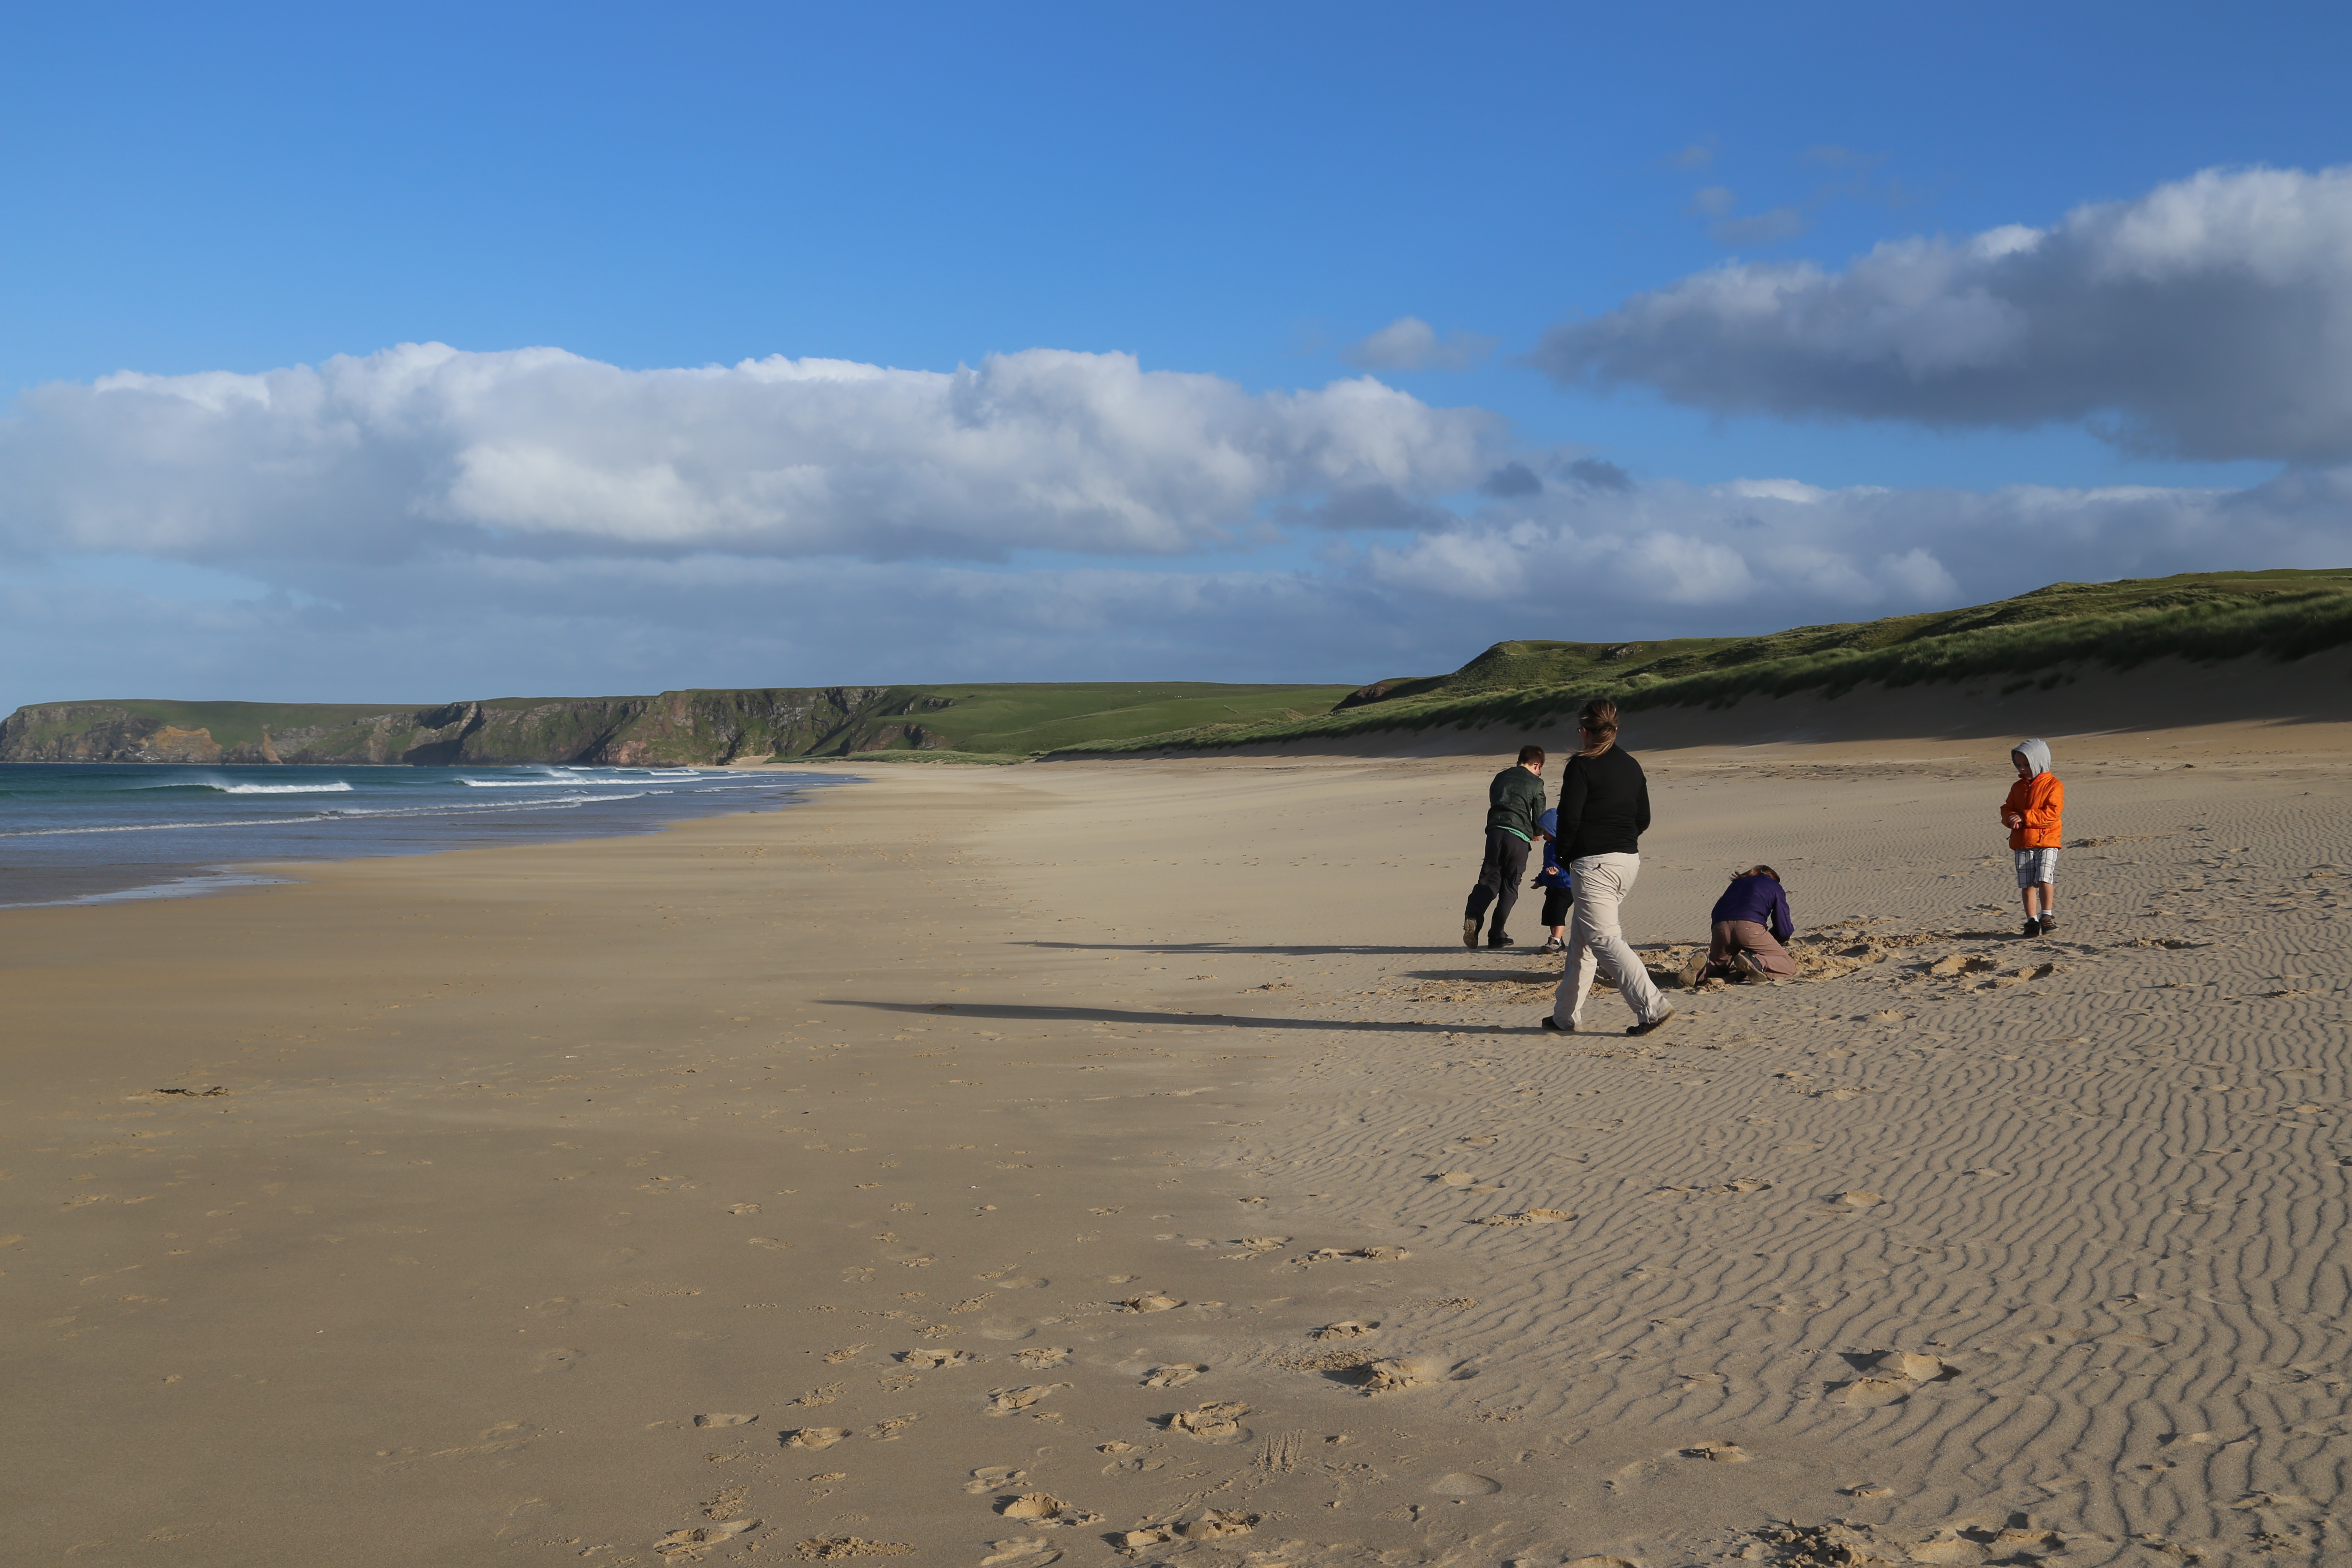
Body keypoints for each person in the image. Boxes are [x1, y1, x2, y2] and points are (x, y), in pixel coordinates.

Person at [1540, 700, 1674, 1036]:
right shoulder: (1631, 764)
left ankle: (1653, 1008)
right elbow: (1643, 817)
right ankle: (1565, 1015)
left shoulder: (1582, 765)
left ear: (1585, 731)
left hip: (1595, 863)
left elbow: (1569, 817)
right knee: (1583, 941)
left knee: (1603, 938)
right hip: (1627, 860)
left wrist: (1565, 855)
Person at [1464, 745, 1545, 949]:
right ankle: (1497, 932)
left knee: (1489, 879)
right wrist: (1537, 832)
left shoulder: (1500, 777)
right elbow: (1539, 810)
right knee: (1510, 885)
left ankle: (1473, 916)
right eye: (1539, 769)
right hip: (1517, 837)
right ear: (1536, 765)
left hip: (1494, 832)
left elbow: (1495, 801)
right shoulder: (1536, 782)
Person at [1680, 865, 1798, 983]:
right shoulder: (1775, 886)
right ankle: (1757, 962)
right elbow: (1784, 930)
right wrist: (1772, 939)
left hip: (1720, 926)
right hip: (1750, 928)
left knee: (1718, 965)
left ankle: (1702, 971)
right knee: (1789, 966)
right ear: (1773, 877)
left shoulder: (1736, 884)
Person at [2002, 737, 2065, 936]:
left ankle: (2047, 915)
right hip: (2022, 841)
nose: (2022, 769)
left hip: (2047, 841)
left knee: (2045, 877)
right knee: (2027, 883)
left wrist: (2025, 817)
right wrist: (2010, 818)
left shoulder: (2054, 785)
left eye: (2027, 765)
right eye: (2019, 765)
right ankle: (2032, 920)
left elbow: (2052, 814)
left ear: (2039, 762)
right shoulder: (2017, 787)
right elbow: (2007, 808)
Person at [1530, 807, 1571, 955]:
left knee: (1558, 913)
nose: (1543, 833)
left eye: (1546, 830)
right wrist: (1540, 880)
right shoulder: (1548, 846)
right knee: (1550, 914)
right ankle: (1557, 939)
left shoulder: (1562, 845)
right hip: (1553, 886)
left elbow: (1568, 865)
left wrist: (1558, 872)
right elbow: (1547, 867)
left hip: (1566, 886)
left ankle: (1555, 941)